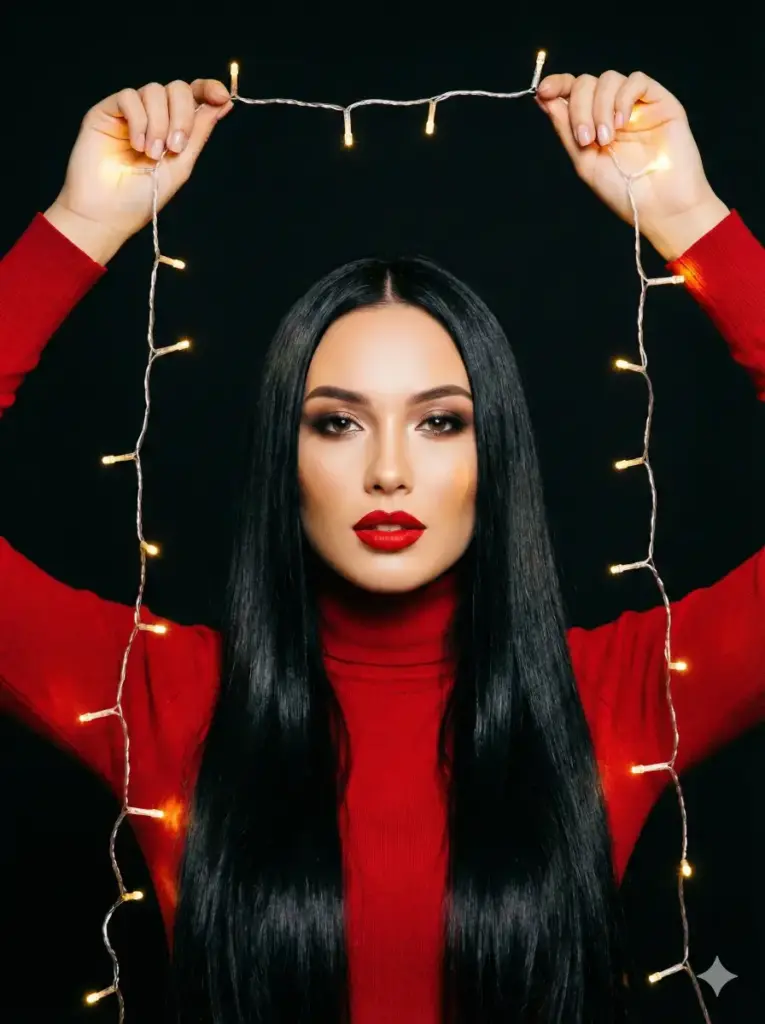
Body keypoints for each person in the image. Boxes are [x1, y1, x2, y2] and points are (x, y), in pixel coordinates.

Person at [0, 69, 763, 1024]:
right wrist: (79, 227)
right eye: (337, 424)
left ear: (499, 453)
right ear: (285, 455)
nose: (390, 472)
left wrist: (686, 215)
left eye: (441, 423)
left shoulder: (621, 697)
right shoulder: (160, 697)